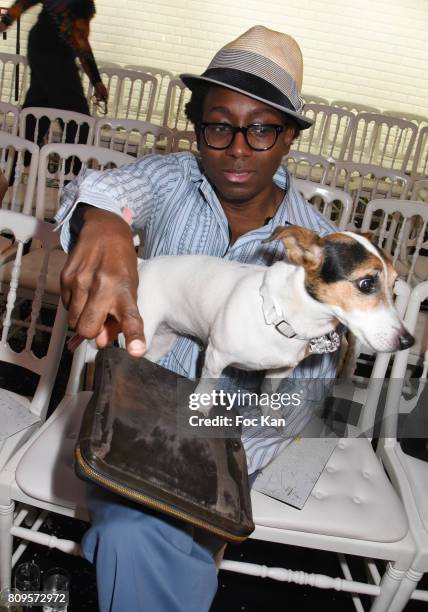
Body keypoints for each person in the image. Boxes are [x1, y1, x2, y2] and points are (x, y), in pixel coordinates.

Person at [56, 25, 339, 612]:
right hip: (137, 414)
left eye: (261, 128)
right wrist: (103, 219)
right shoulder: (175, 179)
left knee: (137, 533)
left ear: (288, 138)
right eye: (219, 125)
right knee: (136, 531)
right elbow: (103, 188)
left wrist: (216, 463)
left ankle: (159, 543)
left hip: (229, 442)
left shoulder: (314, 247)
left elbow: (301, 397)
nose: (237, 147)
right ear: (198, 128)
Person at [0, 0, 108, 147]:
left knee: (39, 107)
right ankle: (77, 166)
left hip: (41, 49)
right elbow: (81, 42)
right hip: (53, 56)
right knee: (79, 122)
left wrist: (6, 21)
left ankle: (20, 159)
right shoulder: (82, 4)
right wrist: (96, 81)